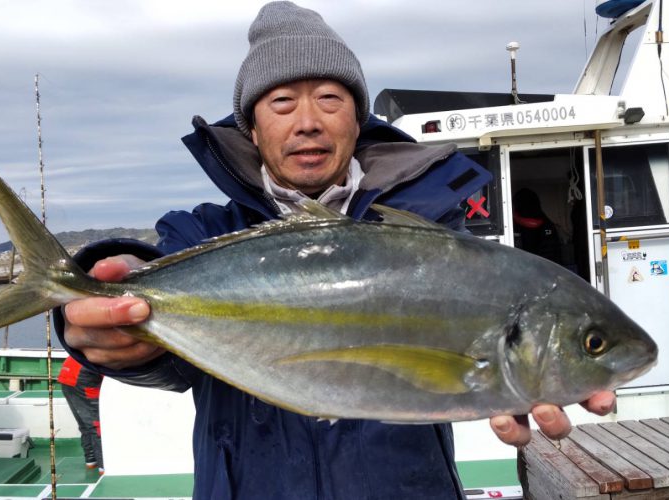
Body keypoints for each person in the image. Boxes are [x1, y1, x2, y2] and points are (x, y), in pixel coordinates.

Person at [56, 2, 615, 497]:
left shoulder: (438, 243)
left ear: (358, 119)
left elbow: (465, 356)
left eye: (329, 98)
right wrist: (106, 320)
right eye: (281, 102)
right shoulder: (201, 233)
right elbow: (166, 357)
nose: (307, 122)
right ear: (252, 129)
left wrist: (509, 381)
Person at [58, 355, 104, 473]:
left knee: (85, 423)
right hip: (83, 377)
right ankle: (104, 466)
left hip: (68, 374)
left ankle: (91, 460)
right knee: (97, 426)